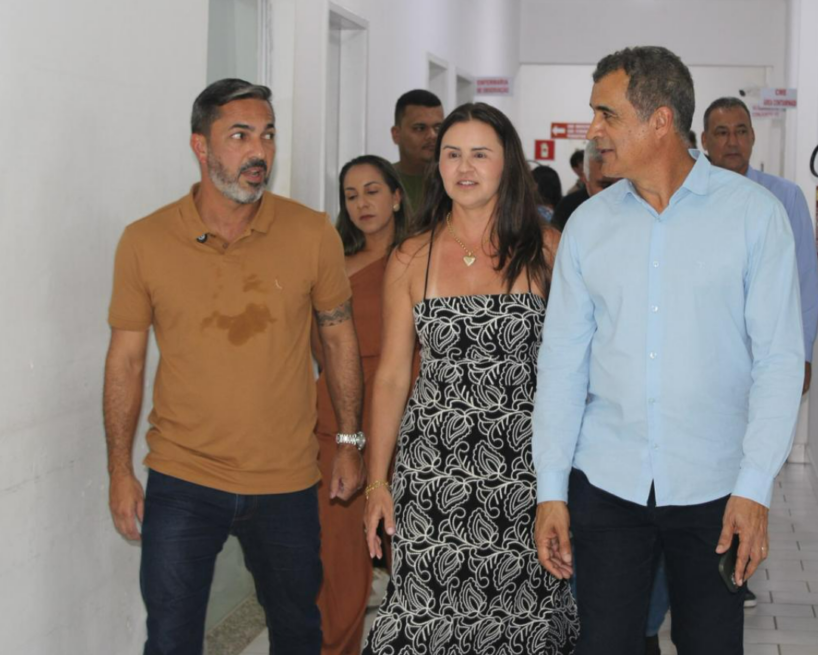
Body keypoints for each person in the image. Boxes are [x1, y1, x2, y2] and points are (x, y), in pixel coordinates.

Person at [533, 47, 804, 655]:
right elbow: (562, 365)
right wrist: (551, 489)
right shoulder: (589, 226)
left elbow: (779, 363)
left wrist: (755, 487)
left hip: (716, 487)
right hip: (607, 482)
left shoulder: (753, 217)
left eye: (607, 113)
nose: (593, 130)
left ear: (660, 121)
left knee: (711, 644)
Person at [103, 78, 365, 655]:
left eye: (268, 135)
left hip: (287, 478)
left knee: (298, 632)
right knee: (170, 639)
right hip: (183, 477)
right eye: (240, 136)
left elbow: (338, 337)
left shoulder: (310, 232)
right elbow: (125, 361)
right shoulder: (145, 241)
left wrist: (349, 441)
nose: (259, 151)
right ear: (201, 146)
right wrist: (120, 470)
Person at [361, 102, 579, 654]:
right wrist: (377, 482)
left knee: (521, 624)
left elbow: (576, 371)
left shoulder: (548, 250)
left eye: (480, 154)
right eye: (452, 154)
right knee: (425, 621)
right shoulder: (411, 256)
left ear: (508, 163)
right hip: (432, 474)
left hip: (525, 473)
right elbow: (391, 377)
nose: (464, 167)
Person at [312, 155, 410, 655]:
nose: (362, 204)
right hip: (336, 426)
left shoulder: (420, 258)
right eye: (351, 196)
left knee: (414, 561)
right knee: (337, 565)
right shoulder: (331, 265)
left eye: (372, 191)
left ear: (396, 197)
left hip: (406, 425)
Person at [702, 96, 818, 395]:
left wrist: (804, 354)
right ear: (704, 140)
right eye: (722, 132)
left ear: (753, 137)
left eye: (741, 131)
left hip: (769, 351)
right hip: (705, 353)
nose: (733, 142)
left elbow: (805, 278)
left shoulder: (785, 197)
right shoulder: (689, 199)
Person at [391, 89, 445, 211]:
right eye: (420, 128)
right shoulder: (380, 180)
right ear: (396, 134)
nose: (432, 135)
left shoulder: (454, 180)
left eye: (438, 128)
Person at [552, 139, 620, 231]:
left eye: (627, 184)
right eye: (606, 185)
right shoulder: (568, 210)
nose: (619, 192)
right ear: (585, 179)